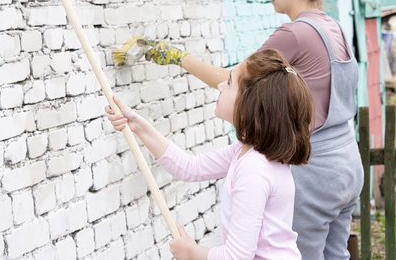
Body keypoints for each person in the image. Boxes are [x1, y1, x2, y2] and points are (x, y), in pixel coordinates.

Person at [135, 0, 364, 259]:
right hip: (348, 163)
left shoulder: (294, 34)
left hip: (315, 172)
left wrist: (179, 57)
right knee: (337, 255)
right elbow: (190, 166)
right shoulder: (335, 27)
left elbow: (241, 80)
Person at [106, 49, 313, 260]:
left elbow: (237, 257)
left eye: (230, 83)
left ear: (249, 105)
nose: (220, 85)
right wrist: (138, 126)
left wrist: (192, 253)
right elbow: (189, 167)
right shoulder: (249, 152)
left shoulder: (254, 169)